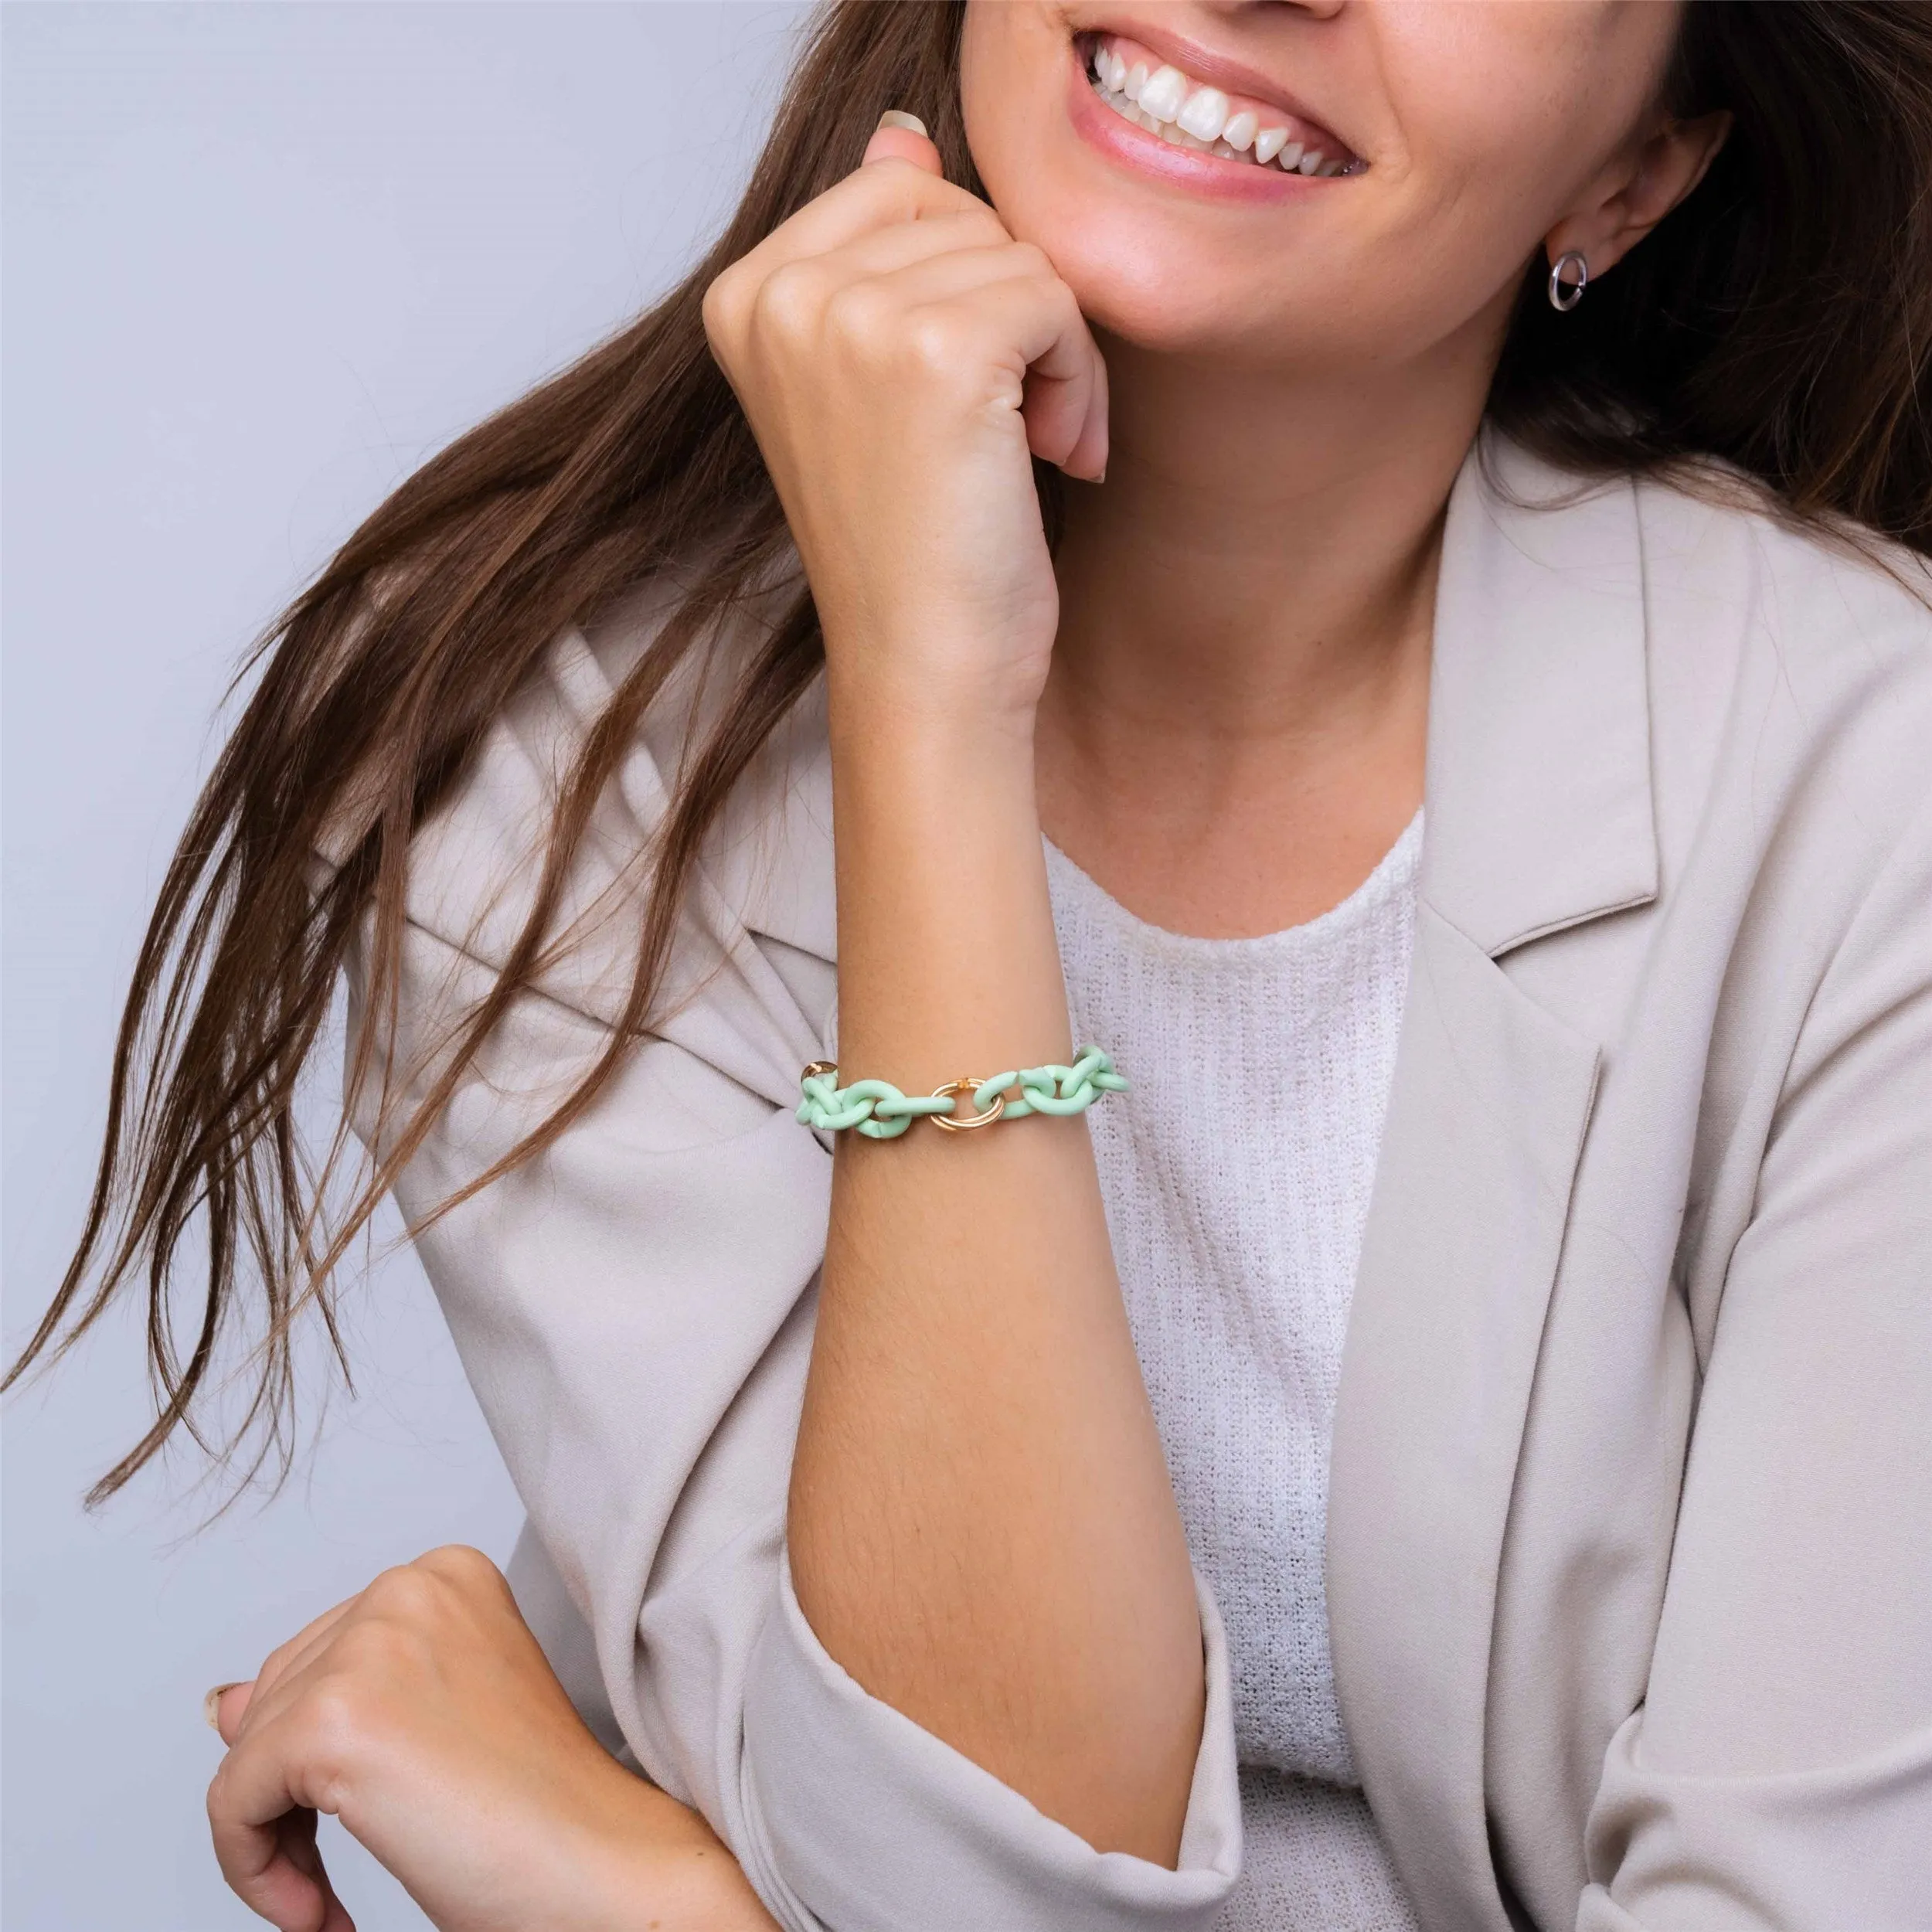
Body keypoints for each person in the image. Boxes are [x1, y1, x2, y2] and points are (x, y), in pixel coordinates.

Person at [12, 3, 1930, 1928]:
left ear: (1632, 175)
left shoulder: (1869, 798)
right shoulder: (541, 765)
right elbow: (959, 1878)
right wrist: (926, 701)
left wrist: (638, 1905)